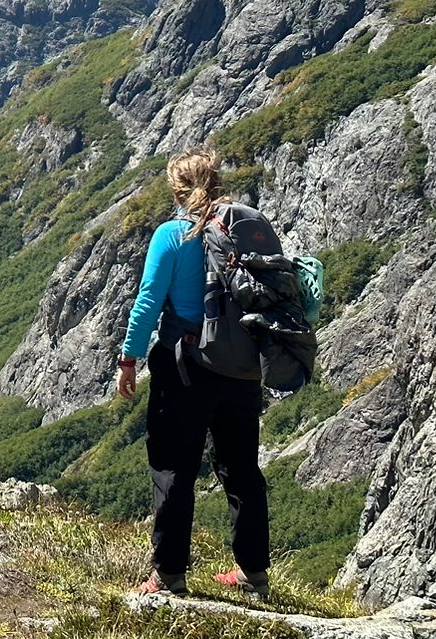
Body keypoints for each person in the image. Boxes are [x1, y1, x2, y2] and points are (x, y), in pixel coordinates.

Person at [113, 148, 270, 599]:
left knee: (173, 466)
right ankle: (254, 574)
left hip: (185, 365)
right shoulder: (246, 228)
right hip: (241, 365)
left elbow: (148, 301)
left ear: (176, 191)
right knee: (242, 469)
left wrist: (129, 359)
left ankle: (168, 576)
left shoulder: (172, 234)